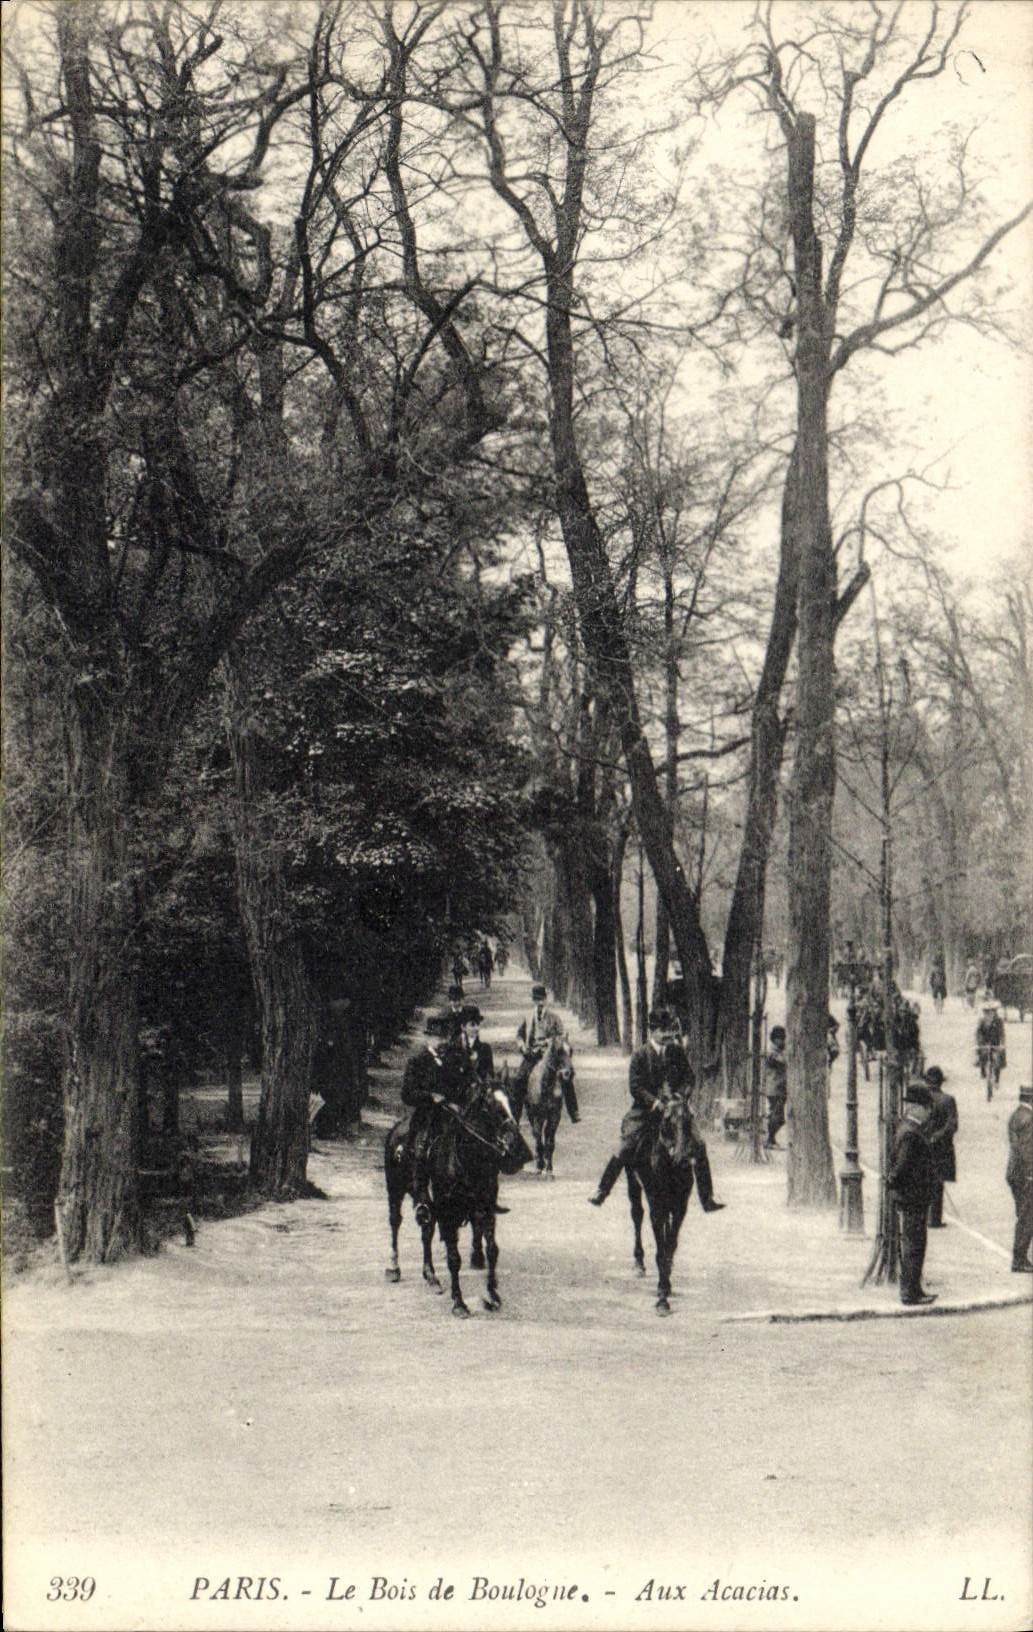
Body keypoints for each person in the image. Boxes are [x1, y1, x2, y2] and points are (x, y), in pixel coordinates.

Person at [588, 1009, 724, 1212]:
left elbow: (689, 1077)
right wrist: (654, 1102)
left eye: (669, 1029)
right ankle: (602, 1190)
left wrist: (680, 1096)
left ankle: (707, 1197)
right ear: (652, 1031)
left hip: (676, 1109)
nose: (667, 1034)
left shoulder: (676, 1051)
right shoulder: (640, 1055)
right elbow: (635, 1086)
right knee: (625, 1146)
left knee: (699, 1144)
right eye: (662, 1030)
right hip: (645, 1112)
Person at [401, 1023, 475, 1226]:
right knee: (421, 1150)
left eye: (443, 1037)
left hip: (450, 1115)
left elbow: (462, 1086)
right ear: (427, 1039)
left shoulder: (452, 1061)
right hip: (426, 1116)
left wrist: (460, 1100)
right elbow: (407, 1094)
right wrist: (430, 1097)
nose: (441, 1042)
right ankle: (421, 1200)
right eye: (436, 1037)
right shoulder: (417, 1062)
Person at [887, 1084, 939, 1306]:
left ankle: (914, 1289)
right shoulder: (911, 1133)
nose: (928, 1114)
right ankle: (910, 1292)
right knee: (914, 1246)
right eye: (927, 1109)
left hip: (912, 1198)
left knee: (915, 1244)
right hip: (913, 1198)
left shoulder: (907, 1128)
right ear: (917, 1108)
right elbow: (901, 1168)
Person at [514, 983, 566, 1099]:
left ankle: (574, 1113)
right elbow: (519, 1035)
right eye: (537, 1000)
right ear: (533, 1001)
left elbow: (561, 1036)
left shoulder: (554, 1018)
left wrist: (549, 1042)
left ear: (546, 999)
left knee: (565, 1077)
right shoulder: (527, 1017)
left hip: (550, 1055)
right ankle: (515, 1115)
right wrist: (522, 1047)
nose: (540, 1003)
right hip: (531, 1054)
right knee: (519, 1078)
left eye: (542, 999)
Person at [922, 1066, 958, 1229]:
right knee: (938, 1182)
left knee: (923, 1179)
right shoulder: (948, 1100)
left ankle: (924, 1215)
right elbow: (952, 1125)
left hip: (921, 1144)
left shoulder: (921, 1099)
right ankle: (934, 1218)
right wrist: (938, 1136)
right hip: (941, 1148)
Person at [1006, 1085, 1033, 1274]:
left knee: (1024, 1214)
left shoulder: (1016, 1115)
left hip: (1014, 1173)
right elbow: (1027, 1150)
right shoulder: (1030, 1119)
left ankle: (1020, 1256)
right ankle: (1019, 1259)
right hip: (1026, 1174)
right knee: (1027, 1216)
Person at [764, 1026, 788, 1149]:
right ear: (775, 1039)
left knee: (779, 1117)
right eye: (781, 1039)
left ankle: (770, 1139)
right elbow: (784, 1061)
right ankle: (769, 1140)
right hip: (774, 1088)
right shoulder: (772, 1052)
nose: (783, 1041)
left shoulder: (778, 1050)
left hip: (780, 1088)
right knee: (777, 1116)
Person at [461, 1005, 495, 1084]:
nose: (477, 1028)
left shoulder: (485, 1048)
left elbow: (490, 1073)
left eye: (478, 1024)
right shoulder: (456, 1047)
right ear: (463, 1027)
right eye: (472, 1025)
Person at [975, 999, 1006, 1077]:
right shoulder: (981, 1021)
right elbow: (978, 1033)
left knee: (999, 1057)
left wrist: (1002, 1044)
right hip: (984, 1042)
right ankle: (982, 1068)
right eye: (986, 1012)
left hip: (995, 1042)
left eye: (991, 1011)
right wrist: (979, 1043)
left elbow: (1002, 1034)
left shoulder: (999, 1021)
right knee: (981, 1053)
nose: (989, 1014)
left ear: (995, 1012)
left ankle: (997, 1077)